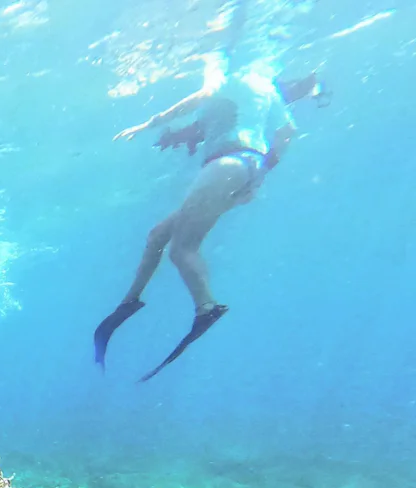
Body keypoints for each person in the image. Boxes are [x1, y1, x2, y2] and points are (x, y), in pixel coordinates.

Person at [94, 64, 323, 381]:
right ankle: (129, 301)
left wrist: (151, 122)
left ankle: (206, 307)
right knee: (159, 234)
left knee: (182, 249)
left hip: (224, 167)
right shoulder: (265, 91)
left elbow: (200, 96)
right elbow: (287, 132)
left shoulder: (226, 74)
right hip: (245, 167)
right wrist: (260, 175)